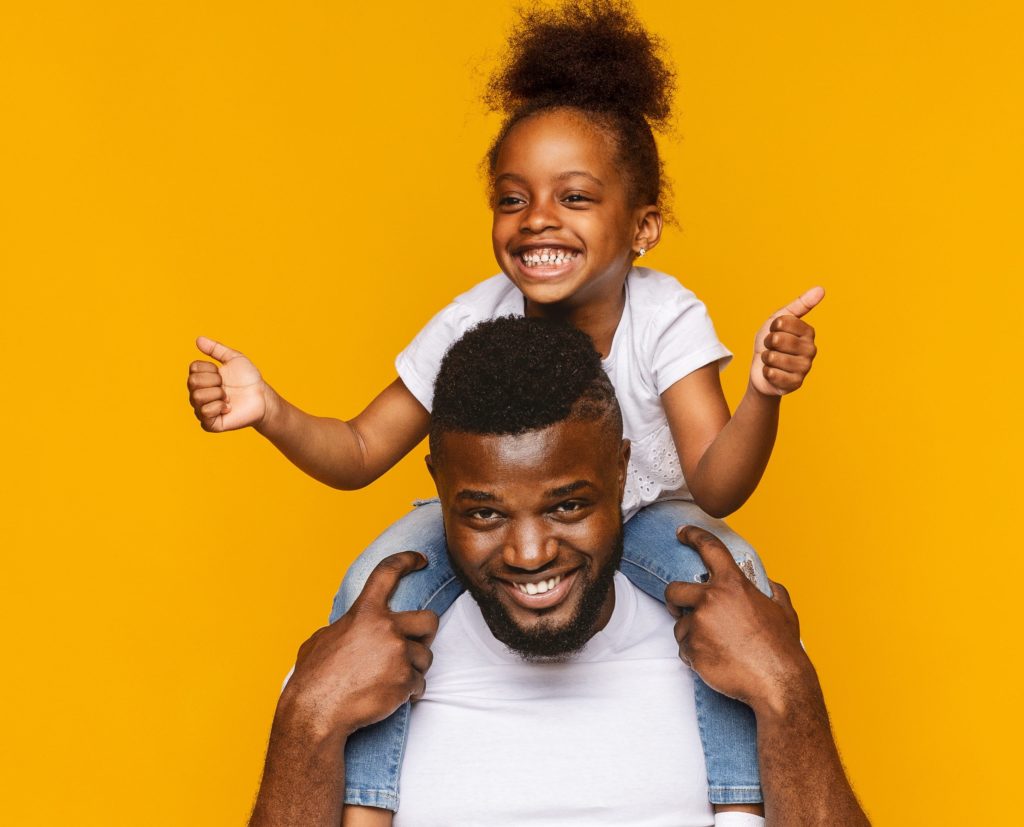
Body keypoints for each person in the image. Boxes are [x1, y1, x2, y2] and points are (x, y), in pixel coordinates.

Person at [188, 0, 822, 813]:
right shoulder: (470, 319)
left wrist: (765, 393)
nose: (539, 221)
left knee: (738, 580)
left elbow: (719, 483)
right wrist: (270, 409)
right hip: (508, 513)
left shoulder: (666, 316)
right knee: (373, 587)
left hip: (649, 513)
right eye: (512, 199)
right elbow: (356, 450)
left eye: (576, 197)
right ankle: (366, 801)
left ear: (645, 226)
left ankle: (741, 801)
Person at [248, 317, 869, 826]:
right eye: (485, 513)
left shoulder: (741, 645)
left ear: (622, 474)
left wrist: (789, 692)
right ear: (437, 485)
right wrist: (309, 716)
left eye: (568, 506)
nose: (529, 554)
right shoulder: (352, 668)